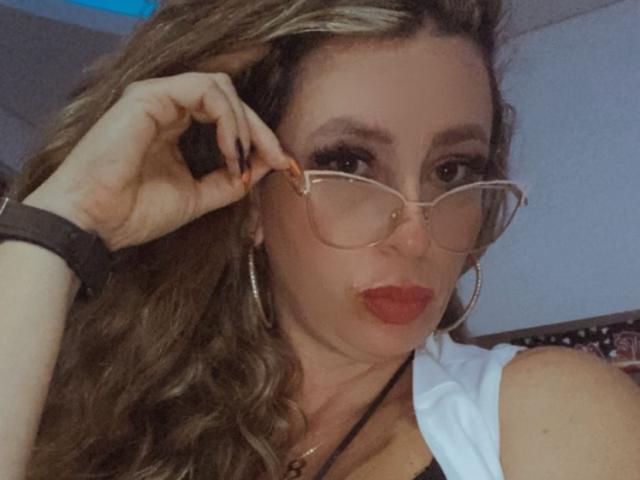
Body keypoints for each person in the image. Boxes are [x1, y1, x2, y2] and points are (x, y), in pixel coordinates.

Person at [0, 0, 638, 479]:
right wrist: (60, 222)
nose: (415, 235)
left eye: (453, 170)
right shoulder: (110, 420)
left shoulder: (545, 416)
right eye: (351, 163)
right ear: (247, 192)